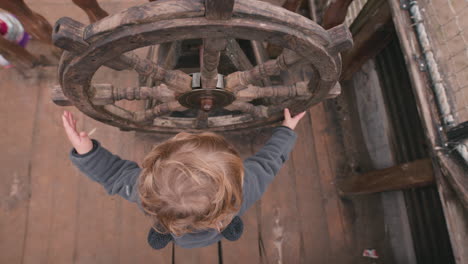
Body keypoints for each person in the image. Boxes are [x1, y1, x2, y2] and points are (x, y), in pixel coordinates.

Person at [62, 108, 306, 249]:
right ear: (234, 181)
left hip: (175, 231)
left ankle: (164, 231)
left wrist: (87, 150)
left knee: (173, 232)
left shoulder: (146, 194)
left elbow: (112, 173)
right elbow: (269, 161)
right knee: (232, 224)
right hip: (221, 222)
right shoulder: (244, 191)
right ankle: (230, 227)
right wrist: (286, 130)